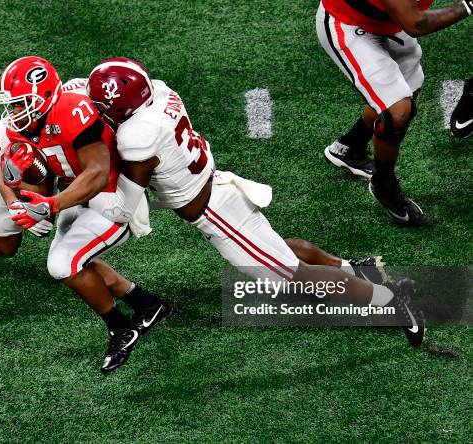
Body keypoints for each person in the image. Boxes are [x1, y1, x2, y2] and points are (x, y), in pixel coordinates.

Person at [84, 57, 426, 347]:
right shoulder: (158, 92)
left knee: (291, 277)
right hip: (218, 188)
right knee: (277, 250)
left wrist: (69, 195)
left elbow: (123, 207)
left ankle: (393, 302)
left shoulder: (136, 139)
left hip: (215, 215)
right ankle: (354, 268)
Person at [0, 56, 168, 373]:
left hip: (112, 197)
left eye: (21, 104)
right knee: (76, 261)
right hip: (75, 194)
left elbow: (97, 172)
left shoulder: (71, 110)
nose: (14, 113)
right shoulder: (23, 125)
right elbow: (8, 170)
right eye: (11, 105)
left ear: (45, 96)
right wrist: (19, 204)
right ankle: (148, 305)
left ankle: (121, 328)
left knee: (63, 263)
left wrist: (50, 205)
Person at [317, 0, 471, 225]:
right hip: (348, 25)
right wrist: (467, 6)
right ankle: (384, 183)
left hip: (392, 22)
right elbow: (416, 24)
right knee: (397, 111)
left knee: (407, 90)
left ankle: (349, 147)